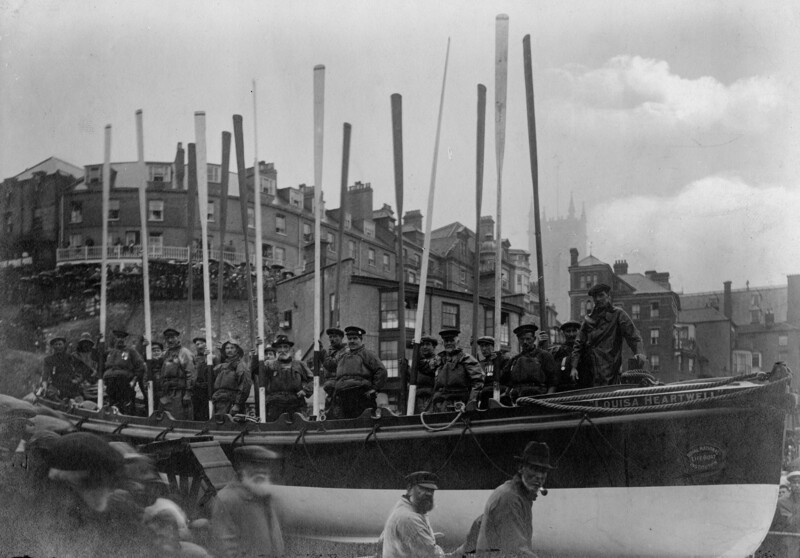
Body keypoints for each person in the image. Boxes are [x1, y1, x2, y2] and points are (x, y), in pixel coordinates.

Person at [476, 441, 554, 557]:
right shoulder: (509, 499)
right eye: (534, 468)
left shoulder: (521, 496)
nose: (539, 476)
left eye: (543, 471)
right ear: (521, 468)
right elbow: (516, 552)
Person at [210, 446, 285, 558]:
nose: (261, 470)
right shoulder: (227, 499)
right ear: (241, 468)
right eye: (254, 464)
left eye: (264, 465)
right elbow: (225, 551)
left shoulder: (264, 496)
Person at [571, 283, 646, 386]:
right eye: (595, 297)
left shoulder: (618, 314)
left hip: (610, 367)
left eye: (601, 295)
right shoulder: (588, 320)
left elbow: (634, 337)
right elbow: (578, 343)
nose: (598, 299)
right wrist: (574, 367)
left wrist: (639, 353)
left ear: (608, 296)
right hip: (590, 369)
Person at [380, 471, 444, 558]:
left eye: (431, 490)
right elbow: (432, 554)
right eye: (422, 488)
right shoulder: (409, 518)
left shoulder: (407, 507)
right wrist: (438, 550)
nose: (429, 493)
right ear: (409, 488)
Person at [330, 326, 387, 419]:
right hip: (342, 396)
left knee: (363, 424)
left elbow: (381, 370)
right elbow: (331, 368)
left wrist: (375, 388)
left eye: (355, 338)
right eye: (349, 339)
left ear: (361, 340)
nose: (352, 341)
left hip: (360, 395)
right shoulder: (342, 356)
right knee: (343, 425)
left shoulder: (367, 354)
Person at [500, 324, 558, 403]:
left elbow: (553, 381)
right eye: (522, 339)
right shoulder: (514, 360)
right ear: (518, 340)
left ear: (534, 339)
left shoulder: (544, 355)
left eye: (528, 339)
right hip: (517, 399)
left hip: (538, 398)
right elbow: (509, 381)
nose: (525, 342)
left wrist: (548, 399)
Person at [261, 335, 313, 421]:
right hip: (275, 405)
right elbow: (256, 371)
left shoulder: (299, 365)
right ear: (276, 350)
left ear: (291, 350)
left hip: (296, 404)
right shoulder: (269, 364)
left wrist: (305, 390)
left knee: (297, 429)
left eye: (285, 347)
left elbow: (312, 381)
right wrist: (257, 351)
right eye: (279, 347)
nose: (282, 350)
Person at [430, 328, 483, 412]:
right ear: (443, 343)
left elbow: (478, 383)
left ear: (457, 342)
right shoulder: (438, 360)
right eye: (446, 341)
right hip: (440, 403)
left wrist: (471, 403)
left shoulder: (466, 359)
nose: (449, 343)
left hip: (459, 403)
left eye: (452, 341)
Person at [103, 329, 146, 414]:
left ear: (125, 339)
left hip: (124, 384)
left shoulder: (131, 351)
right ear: (114, 339)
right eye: (118, 337)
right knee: (112, 406)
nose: (120, 339)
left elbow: (140, 366)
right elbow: (98, 360)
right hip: (110, 384)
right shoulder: (109, 353)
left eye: (122, 337)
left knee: (126, 406)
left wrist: (134, 380)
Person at [158, 328, 195, 420]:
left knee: (179, 418)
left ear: (178, 338)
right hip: (166, 392)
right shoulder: (166, 354)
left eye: (172, 337)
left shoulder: (184, 353)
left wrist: (188, 393)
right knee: (164, 418)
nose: (170, 340)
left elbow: (191, 373)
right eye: (167, 338)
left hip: (179, 393)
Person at [211, 338, 251, 416]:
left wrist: (237, 404)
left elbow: (244, 385)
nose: (229, 350)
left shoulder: (240, 365)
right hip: (219, 402)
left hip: (232, 403)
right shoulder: (222, 366)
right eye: (227, 348)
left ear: (237, 350)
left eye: (232, 348)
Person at [548, 320, 589, 391]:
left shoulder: (585, 350)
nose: (571, 334)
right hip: (564, 390)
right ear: (563, 333)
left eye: (574, 331)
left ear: (579, 332)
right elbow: (555, 376)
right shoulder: (559, 352)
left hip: (584, 388)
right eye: (568, 331)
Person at [41, 336, 82, 400]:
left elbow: (80, 370)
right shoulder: (48, 360)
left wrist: (77, 380)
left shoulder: (70, 358)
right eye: (56, 344)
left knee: (79, 398)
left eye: (60, 344)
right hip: (56, 386)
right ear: (53, 347)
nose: (58, 346)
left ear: (64, 345)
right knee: (51, 394)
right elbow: (45, 375)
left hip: (70, 386)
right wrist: (44, 386)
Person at [475, 336, 510, 409]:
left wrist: (496, 361)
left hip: (499, 395)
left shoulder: (503, 360)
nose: (484, 349)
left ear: (494, 346)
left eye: (487, 345)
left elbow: (505, 378)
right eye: (482, 346)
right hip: (483, 398)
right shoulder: (480, 364)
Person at [410, 336, 440, 414]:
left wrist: (416, 349)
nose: (425, 347)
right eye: (422, 345)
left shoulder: (437, 360)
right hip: (418, 397)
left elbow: (426, 369)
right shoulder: (417, 362)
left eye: (427, 344)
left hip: (431, 397)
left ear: (433, 346)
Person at [321, 327, 348, 410]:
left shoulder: (345, 351)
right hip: (330, 388)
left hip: (340, 388)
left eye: (335, 336)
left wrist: (321, 352)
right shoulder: (329, 351)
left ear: (341, 338)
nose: (332, 339)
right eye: (330, 337)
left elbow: (332, 364)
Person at [192, 336, 218, 421]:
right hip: (196, 389)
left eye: (202, 343)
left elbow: (217, 372)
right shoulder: (194, 358)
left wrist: (208, 359)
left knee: (208, 411)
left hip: (209, 389)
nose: (199, 346)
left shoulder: (213, 358)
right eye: (197, 344)